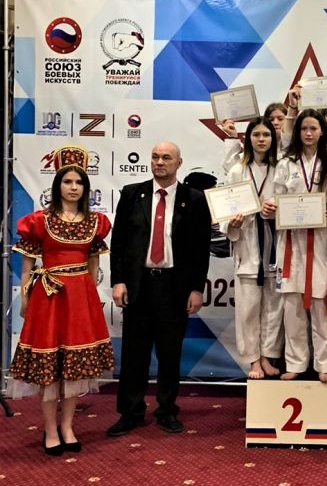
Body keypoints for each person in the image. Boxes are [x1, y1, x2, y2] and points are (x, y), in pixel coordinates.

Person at [9, 151, 114, 455]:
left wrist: (90, 298)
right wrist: (25, 298)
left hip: (80, 298)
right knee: (49, 367)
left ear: (85, 187)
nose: (73, 187)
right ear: (58, 185)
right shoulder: (39, 221)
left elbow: (93, 265)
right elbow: (27, 267)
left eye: (78, 182)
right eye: (67, 181)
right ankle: (50, 429)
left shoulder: (95, 222)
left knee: (74, 368)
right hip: (49, 297)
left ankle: (67, 426)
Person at [107, 142, 211, 436]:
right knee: (134, 353)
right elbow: (119, 242)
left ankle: (166, 410)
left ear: (179, 163)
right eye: (155, 157)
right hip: (138, 284)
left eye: (166, 158)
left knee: (170, 352)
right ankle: (130, 412)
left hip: (174, 286)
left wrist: (196, 289)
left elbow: (200, 248)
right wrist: (118, 280)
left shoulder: (194, 199)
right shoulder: (132, 194)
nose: (159, 162)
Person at [274, 109, 327, 383]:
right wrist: (273, 207)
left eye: (313, 128)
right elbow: (277, 197)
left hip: (322, 238)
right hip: (291, 240)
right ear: (298, 132)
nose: (309, 133)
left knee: (320, 304)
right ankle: (296, 363)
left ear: (322, 131)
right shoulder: (286, 163)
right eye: (304, 129)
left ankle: (324, 363)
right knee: (292, 306)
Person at [220, 117, 283, 379]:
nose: (261, 139)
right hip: (247, 245)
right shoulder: (238, 170)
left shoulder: (281, 168)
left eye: (266, 134)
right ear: (248, 139)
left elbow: (291, 204)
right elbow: (226, 208)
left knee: (273, 308)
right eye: (256, 134)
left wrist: (276, 210)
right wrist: (232, 223)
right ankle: (253, 360)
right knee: (248, 310)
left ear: (273, 138)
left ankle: (267, 356)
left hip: (275, 243)